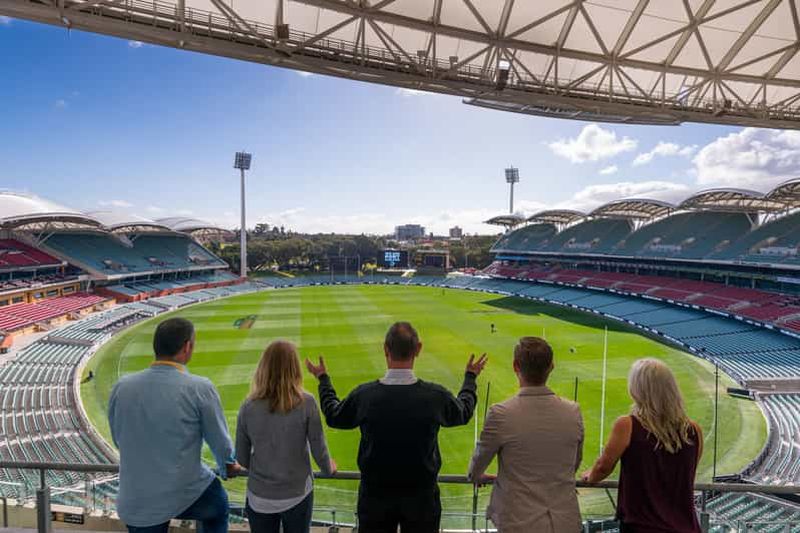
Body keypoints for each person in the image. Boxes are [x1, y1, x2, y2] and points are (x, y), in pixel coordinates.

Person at [305, 321, 487, 533]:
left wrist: (323, 379)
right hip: (422, 498)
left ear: (385, 349)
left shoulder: (365, 396)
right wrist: (470, 379)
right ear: (418, 348)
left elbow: (334, 415)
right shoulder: (434, 396)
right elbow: (463, 411)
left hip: (375, 497)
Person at [108, 317, 240, 533]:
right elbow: (221, 445)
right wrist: (227, 466)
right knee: (218, 506)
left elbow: (118, 437)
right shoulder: (200, 388)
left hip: (136, 499)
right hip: (184, 491)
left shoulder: (122, 387)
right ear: (187, 347)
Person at [468, 337, 584, 533]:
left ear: (515, 366)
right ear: (551, 366)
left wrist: (476, 475)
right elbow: (575, 463)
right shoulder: (573, 411)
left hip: (518, 522)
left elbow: (477, 464)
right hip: (565, 521)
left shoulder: (501, 413)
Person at [582, 358, 703, 533]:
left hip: (642, 526)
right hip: (686, 526)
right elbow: (686, 474)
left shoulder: (627, 425)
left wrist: (590, 476)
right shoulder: (694, 431)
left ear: (637, 389)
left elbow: (603, 467)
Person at [236, 340, 336, 533]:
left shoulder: (248, 406)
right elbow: (319, 449)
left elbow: (242, 459)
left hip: (259, 497)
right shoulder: (307, 403)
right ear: (294, 368)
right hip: (297, 495)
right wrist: (327, 468)